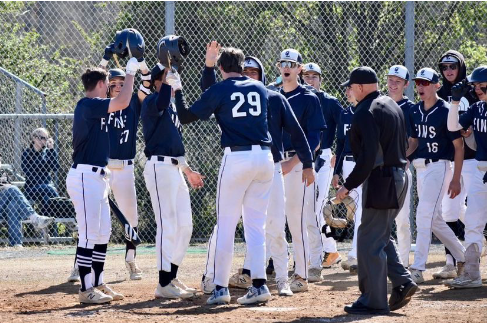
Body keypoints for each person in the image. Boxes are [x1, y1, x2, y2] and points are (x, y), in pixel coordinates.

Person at [199, 42, 313, 297]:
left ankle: (281, 279)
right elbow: (209, 92)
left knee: (272, 225)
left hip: (268, 167)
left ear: (261, 76)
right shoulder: (228, 93)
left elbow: (296, 132)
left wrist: (306, 163)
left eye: (253, 72)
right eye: (245, 70)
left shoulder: (271, 96)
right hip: (248, 165)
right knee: (227, 227)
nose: (248, 75)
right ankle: (212, 278)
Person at [168, 46, 275, 305]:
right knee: (255, 226)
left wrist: (178, 90)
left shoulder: (221, 88)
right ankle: (260, 285)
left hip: (237, 158)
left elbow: (185, 115)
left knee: (226, 225)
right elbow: (219, 93)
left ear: (222, 69)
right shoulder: (259, 88)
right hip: (264, 158)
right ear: (241, 66)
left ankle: (219, 287)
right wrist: (209, 67)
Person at [336, 66, 416, 315]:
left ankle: (373, 299)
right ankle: (402, 281)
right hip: (399, 176)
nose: (348, 91)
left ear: (360, 87)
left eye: (350, 87)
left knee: (369, 240)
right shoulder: (391, 104)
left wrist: (347, 185)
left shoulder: (364, 111)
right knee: (378, 234)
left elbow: (368, 156)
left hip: (383, 179)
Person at [68, 51, 151, 283]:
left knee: (119, 222)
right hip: (95, 171)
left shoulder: (129, 103)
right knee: (90, 226)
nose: (114, 85)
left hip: (120, 168)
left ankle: (125, 263)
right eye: (111, 83)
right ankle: (81, 270)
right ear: (105, 85)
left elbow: (143, 86)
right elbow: (95, 83)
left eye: (120, 83)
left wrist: (139, 67)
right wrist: (126, 71)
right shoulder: (95, 105)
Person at [141, 63, 204, 299]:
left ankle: (172, 276)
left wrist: (188, 171)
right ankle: (163, 283)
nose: (174, 79)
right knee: (167, 224)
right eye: (168, 76)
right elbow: (159, 102)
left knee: (185, 225)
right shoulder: (151, 101)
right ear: (158, 81)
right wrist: (166, 82)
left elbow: (174, 145)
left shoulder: (172, 108)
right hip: (158, 168)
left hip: (175, 169)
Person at [406, 67, 466, 284]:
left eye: (425, 83)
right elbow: (413, 142)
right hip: (420, 168)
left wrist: (456, 178)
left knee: (424, 216)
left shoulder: (445, 110)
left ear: (436, 86)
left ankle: (417, 268)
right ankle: (464, 256)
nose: (420, 86)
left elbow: (458, 147)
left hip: (439, 167)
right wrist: (403, 158)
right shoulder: (414, 110)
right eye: (418, 83)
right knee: (434, 220)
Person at [277, 49, 326, 292]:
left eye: (291, 64)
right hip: (274, 164)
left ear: (299, 68)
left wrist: (294, 162)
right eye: (283, 63)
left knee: (297, 221)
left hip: (299, 167)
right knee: (273, 220)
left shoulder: (309, 98)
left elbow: (314, 139)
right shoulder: (272, 95)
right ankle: (278, 272)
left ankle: (302, 274)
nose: (286, 67)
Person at [435, 50, 479, 279]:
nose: (449, 71)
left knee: (476, 208)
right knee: (448, 211)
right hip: (449, 159)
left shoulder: (473, 90)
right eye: (444, 67)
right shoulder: (440, 92)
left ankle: (474, 252)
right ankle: (451, 262)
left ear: (460, 66)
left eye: (453, 66)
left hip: (473, 158)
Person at [446, 66, 487, 288]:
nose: (477, 89)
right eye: (475, 85)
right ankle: (472, 273)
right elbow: (453, 126)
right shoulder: (477, 108)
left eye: (481, 84)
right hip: (481, 172)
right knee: (473, 222)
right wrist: (454, 102)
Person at [302, 63, 343, 277]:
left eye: (314, 76)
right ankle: (330, 251)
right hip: (302, 158)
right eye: (306, 76)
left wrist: (340, 151)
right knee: (308, 208)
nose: (310, 80)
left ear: (321, 80)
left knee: (315, 208)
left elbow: (345, 123)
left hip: (324, 157)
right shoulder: (297, 98)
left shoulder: (329, 102)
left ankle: (318, 255)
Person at [385, 65, 414, 267]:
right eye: (390, 80)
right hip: (380, 170)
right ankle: (383, 263)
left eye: (398, 81)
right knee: (381, 220)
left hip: (401, 169)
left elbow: (414, 141)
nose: (393, 85)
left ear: (406, 84)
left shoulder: (410, 108)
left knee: (402, 220)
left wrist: (400, 157)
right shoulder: (380, 104)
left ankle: (403, 264)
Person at [332, 86, 362, 274]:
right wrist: (337, 171)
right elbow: (341, 144)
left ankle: (355, 254)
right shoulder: (345, 114)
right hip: (348, 164)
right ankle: (356, 253)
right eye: (346, 89)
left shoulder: (370, 110)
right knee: (358, 209)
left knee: (361, 209)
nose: (347, 92)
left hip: (365, 163)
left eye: (351, 88)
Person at [0, 178, 54, 247]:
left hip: (4, 205)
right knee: (12, 189)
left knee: (13, 205)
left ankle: (16, 244)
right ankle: (35, 219)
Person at [21, 127, 60, 216]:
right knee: (49, 189)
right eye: (41, 137)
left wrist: (51, 150)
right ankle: (63, 209)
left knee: (47, 199)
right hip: (32, 188)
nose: (44, 141)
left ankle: (44, 227)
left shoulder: (47, 153)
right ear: (34, 138)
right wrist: (45, 184)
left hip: (47, 189)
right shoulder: (27, 153)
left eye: (46, 138)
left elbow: (55, 167)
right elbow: (28, 173)